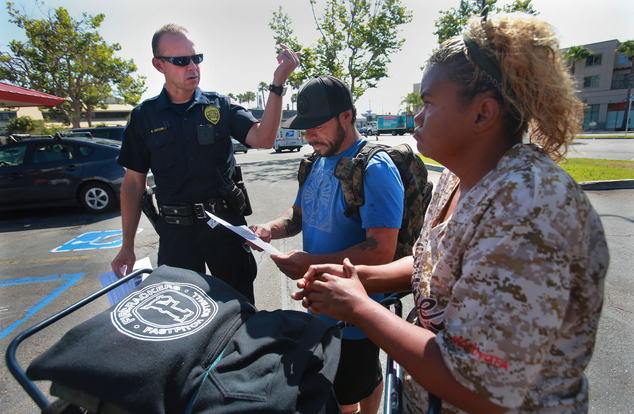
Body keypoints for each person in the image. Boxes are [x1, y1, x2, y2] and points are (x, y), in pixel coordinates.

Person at [292, 11, 609, 414]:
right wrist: (354, 278)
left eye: (428, 104)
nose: (417, 118)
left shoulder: (530, 211)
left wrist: (358, 306)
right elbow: (428, 264)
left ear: (483, 113)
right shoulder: (456, 178)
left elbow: (482, 389)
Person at [111, 24, 299, 304]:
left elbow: (264, 138)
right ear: (159, 65)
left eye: (196, 58)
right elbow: (133, 184)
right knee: (182, 316)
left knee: (239, 312)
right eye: (180, 60)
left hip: (225, 228)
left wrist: (278, 82)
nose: (192, 66)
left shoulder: (219, 106)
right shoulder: (144, 117)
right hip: (176, 236)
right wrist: (127, 246)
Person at [250, 75, 405, 414]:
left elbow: (381, 249)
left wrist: (312, 263)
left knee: (344, 397)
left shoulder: (374, 167)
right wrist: (269, 230)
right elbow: (299, 214)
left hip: (354, 315)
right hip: (320, 310)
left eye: (316, 126)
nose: (308, 136)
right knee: (357, 381)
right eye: (304, 128)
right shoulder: (316, 161)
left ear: (346, 117)